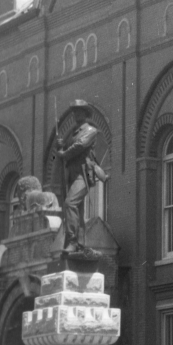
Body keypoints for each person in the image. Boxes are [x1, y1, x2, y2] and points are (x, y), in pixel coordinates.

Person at [57, 106, 106, 254]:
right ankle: (80, 243)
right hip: (71, 175)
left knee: (70, 203)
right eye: (74, 112)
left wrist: (64, 153)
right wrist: (58, 148)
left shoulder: (90, 131)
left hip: (83, 174)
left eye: (79, 112)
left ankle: (72, 241)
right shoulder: (72, 135)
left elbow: (80, 146)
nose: (75, 114)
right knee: (77, 209)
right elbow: (57, 157)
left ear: (85, 114)